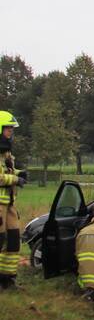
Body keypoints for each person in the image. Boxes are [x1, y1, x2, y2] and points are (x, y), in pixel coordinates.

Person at [0, 111, 28, 290]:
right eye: (8, 128)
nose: (11, 132)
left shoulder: (6, 152)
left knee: (13, 242)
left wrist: (19, 173)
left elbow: (7, 172)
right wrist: (16, 180)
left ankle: (7, 279)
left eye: (12, 129)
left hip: (9, 205)